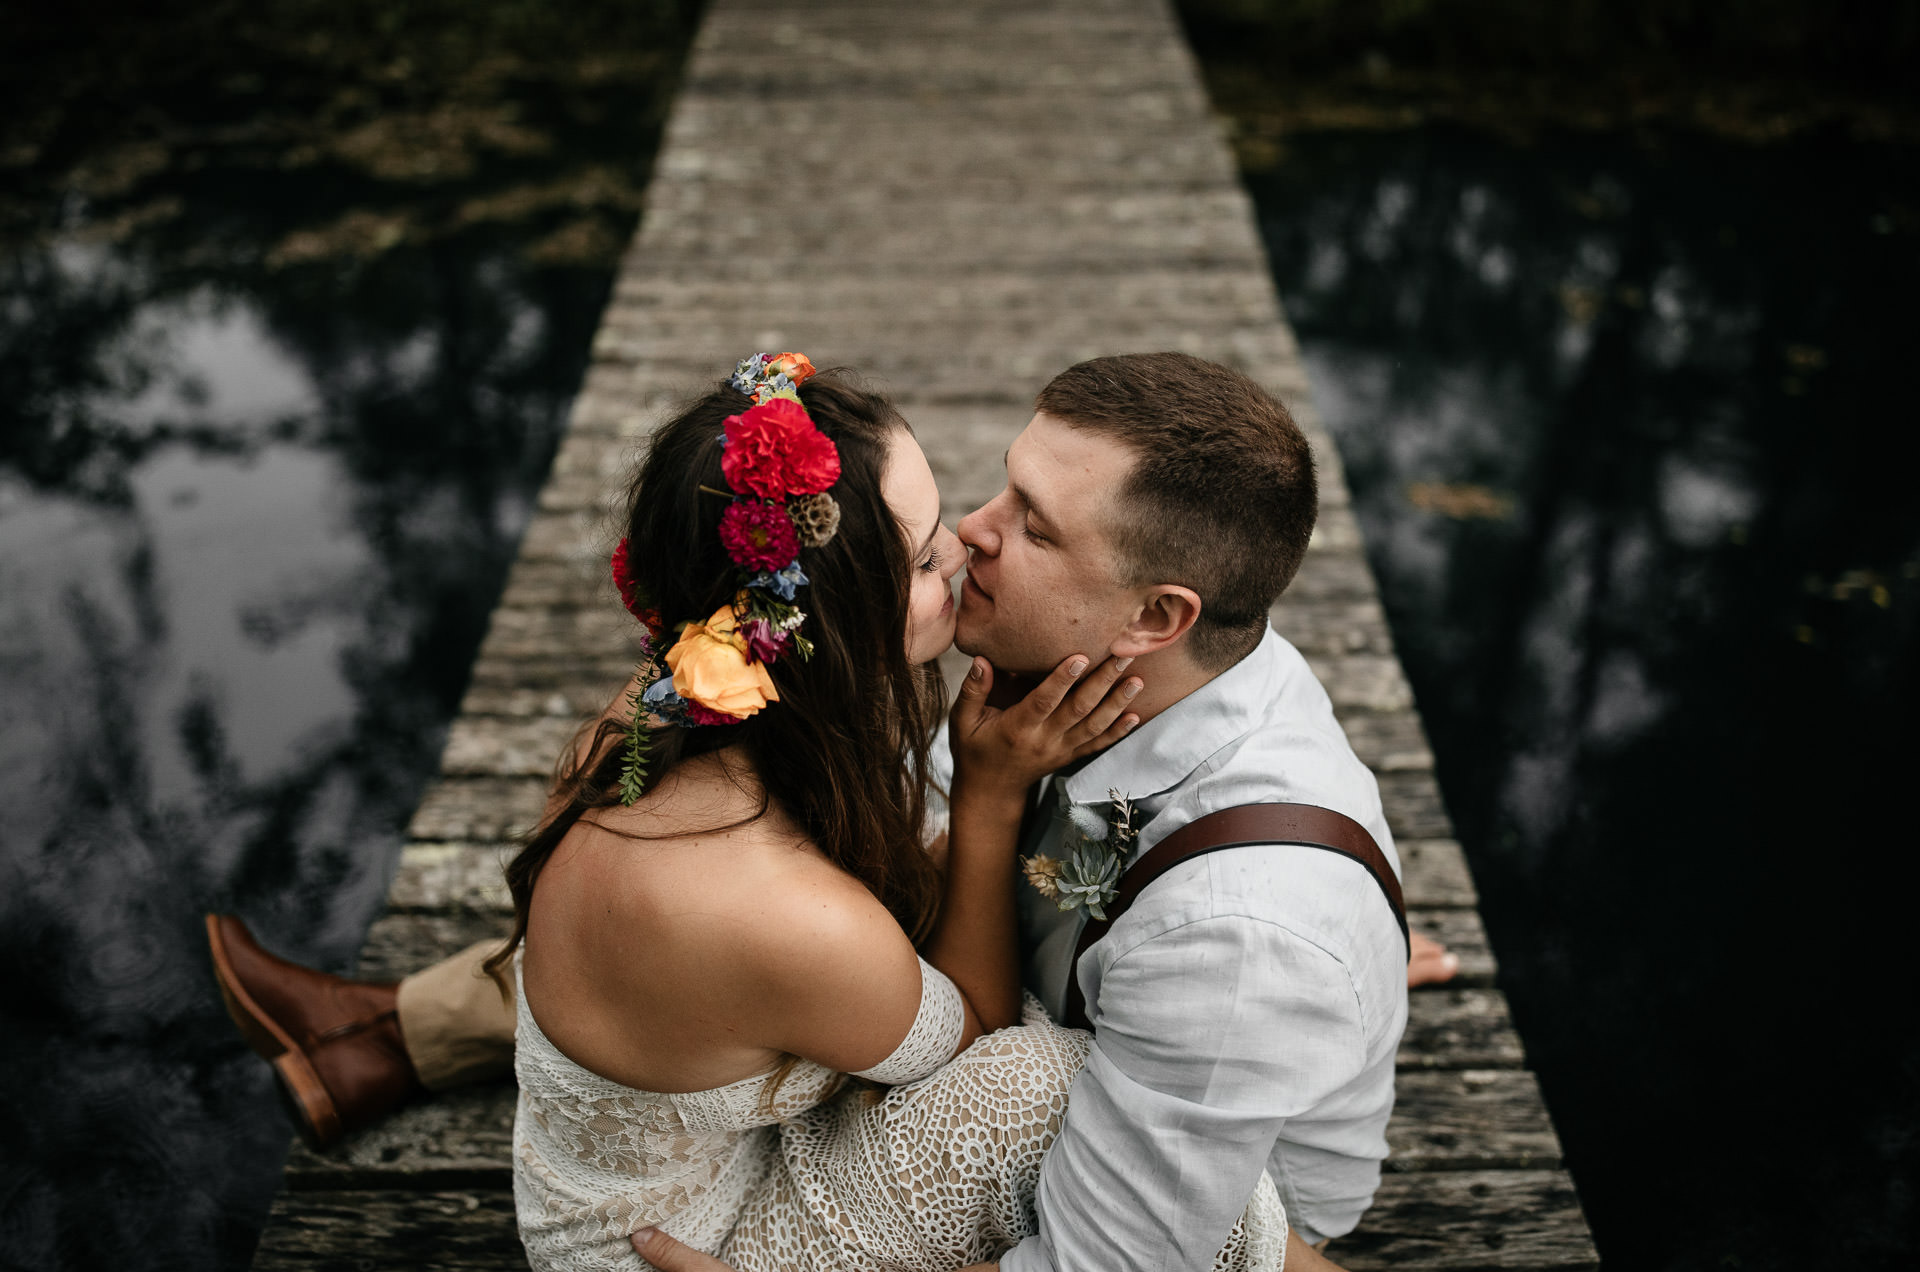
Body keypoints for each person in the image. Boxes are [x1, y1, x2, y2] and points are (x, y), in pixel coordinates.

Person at [208, 350, 1430, 1267]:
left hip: (1185, 1183)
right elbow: (888, 872)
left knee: (1007, 1045)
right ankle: (387, 1038)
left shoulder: (1239, 944)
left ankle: (379, 1041)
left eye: (1029, 526)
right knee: (765, 911)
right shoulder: (1035, 679)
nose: (968, 537)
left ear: (1156, 617)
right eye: (977, 504)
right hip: (724, 1120)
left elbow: (1108, 1249)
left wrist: (1264, 982)